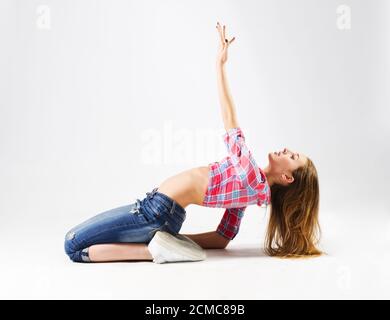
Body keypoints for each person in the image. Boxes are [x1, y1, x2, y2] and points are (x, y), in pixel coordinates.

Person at [64, 22, 322, 264]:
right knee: (77, 244)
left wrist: (219, 66)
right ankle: (158, 247)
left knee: (72, 244)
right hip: (156, 212)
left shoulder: (252, 178)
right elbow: (223, 238)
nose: (287, 150)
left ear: (288, 177)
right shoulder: (250, 188)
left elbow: (231, 122)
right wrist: (177, 240)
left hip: (154, 213)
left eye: (294, 157)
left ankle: (150, 251)